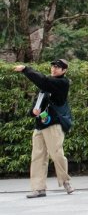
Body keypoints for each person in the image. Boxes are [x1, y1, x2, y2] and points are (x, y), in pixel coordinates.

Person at [13, 59, 72, 198]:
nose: (54, 69)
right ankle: (38, 188)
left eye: (58, 67)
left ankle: (65, 181)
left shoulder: (62, 83)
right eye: (53, 66)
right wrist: (33, 111)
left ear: (64, 71)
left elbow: (43, 81)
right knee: (37, 157)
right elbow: (38, 103)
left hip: (54, 125)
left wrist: (26, 69)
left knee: (57, 154)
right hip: (40, 125)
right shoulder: (45, 87)